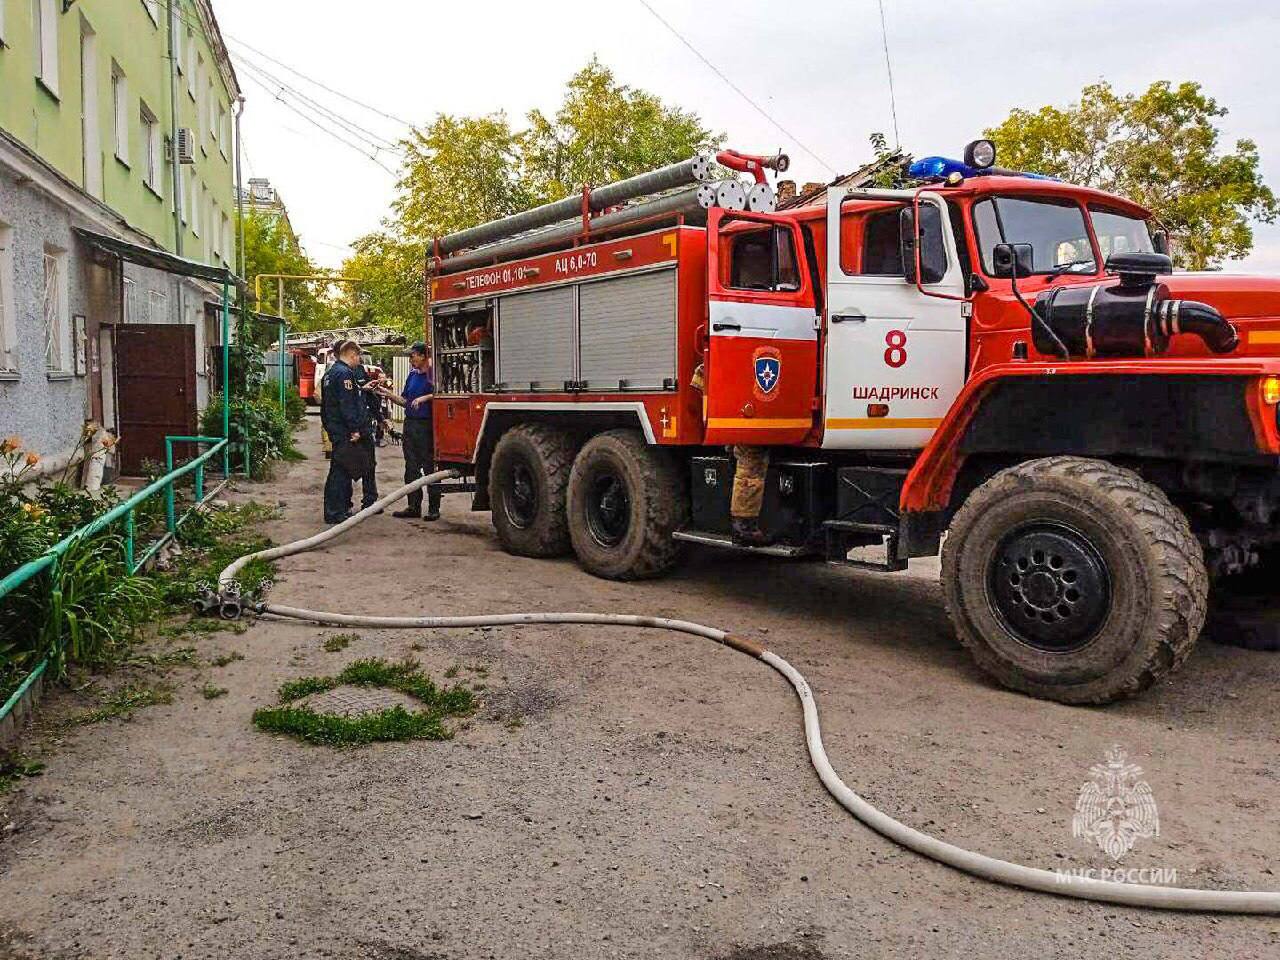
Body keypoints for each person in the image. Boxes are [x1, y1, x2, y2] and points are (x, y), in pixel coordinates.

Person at [375, 341, 441, 521]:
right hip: (410, 424)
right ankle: (413, 506)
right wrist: (387, 394)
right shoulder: (412, 375)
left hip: (427, 425)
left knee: (430, 467)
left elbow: (442, 394)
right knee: (411, 467)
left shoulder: (433, 374)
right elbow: (405, 401)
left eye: (412, 356)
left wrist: (424, 398)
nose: (410, 359)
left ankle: (434, 508)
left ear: (422, 355)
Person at [320, 340, 375, 524]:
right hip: (344, 431)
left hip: (336, 429)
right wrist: (354, 429)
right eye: (358, 356)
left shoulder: (330, 373)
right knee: (341, 473)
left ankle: (338, 509)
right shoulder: (344, 374)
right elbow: (347, 405)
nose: (359, 360)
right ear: (352, 354)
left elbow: (326, 407)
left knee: (339, 470)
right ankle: (335, 512)